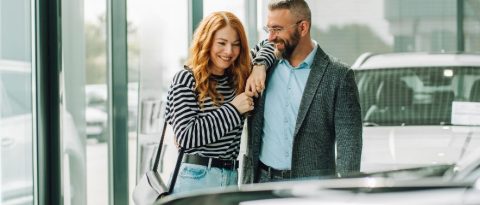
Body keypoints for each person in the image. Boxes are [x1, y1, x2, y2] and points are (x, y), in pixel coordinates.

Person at [242, 0, 363, 184]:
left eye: (277, 29)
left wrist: (346, 192)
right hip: (261, 184)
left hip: (313, 189)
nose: (271, 37)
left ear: (303, 27)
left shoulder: (338, 75)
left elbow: (349, 148)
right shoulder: (262, 66)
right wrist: (259, 65)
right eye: (269, 29)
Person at [164, 11, 272, 194]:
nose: (229, 51)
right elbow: (186, 137)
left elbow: (269, 43)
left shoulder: (238, 77)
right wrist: (233, 109)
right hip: (194, 179)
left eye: (236, 45)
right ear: (206, 41)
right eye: (221, 43)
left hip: (230, 178)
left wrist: (260, 66)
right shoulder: (186, 79)